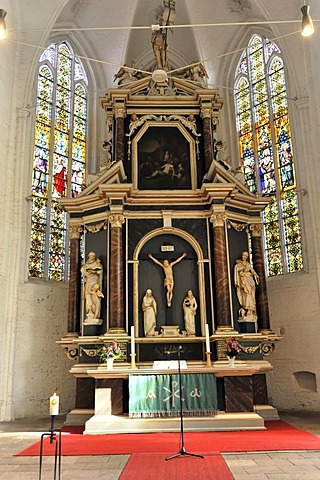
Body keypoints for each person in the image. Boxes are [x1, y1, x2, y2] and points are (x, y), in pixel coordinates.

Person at [234, 251, 259, 318]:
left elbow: (252, 270)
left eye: (245, 255)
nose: (243, 256)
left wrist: (256, 275)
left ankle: (251, 310)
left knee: (250, 294)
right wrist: (243, 268)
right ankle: (247, 309)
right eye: (243, 255)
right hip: (244, 281)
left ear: (247, 257)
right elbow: (237, 269)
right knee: (246, 294)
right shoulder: (239, 264)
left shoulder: (248, 264)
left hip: (249, 280)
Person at [81, 252, 103, 319]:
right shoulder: (86, 265)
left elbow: (100, 271)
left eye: (93, 256)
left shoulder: (97, 264)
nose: (92, 257)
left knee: (94, 295)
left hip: (95, 280)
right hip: (88, 280)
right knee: (88, 295)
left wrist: (95, 272)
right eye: (91, 256)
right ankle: (89, 311)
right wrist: (87, 272)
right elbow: (83, 272)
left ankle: (94, 312)